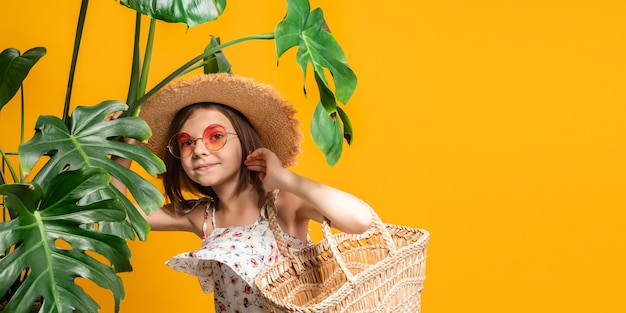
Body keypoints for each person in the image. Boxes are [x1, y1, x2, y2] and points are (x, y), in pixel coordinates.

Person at [114, 73, 372, 312]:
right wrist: (124, 150)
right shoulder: (203, 217)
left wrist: (286, 178)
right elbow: (116, 215)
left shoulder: (283, 204)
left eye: (215, 136)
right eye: (187, 142)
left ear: (245, 141)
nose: (199, 150)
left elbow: (360, 220)